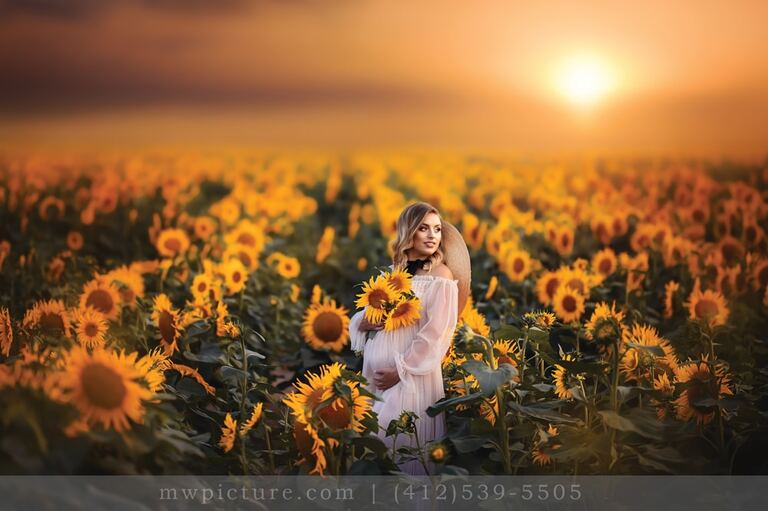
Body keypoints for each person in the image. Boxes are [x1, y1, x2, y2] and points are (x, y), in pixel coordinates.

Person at [348, 201, 471, 475]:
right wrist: (365, 321)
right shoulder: (393, 273)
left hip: (411, 377)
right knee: (379, 450)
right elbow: (368, 315)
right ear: (409, 232)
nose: (432, 235)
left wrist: (401, 370)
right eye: (424, 228)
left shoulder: (441, 276)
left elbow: (436, 333)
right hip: (377, 377)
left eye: (437, 229)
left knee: (405, 446)